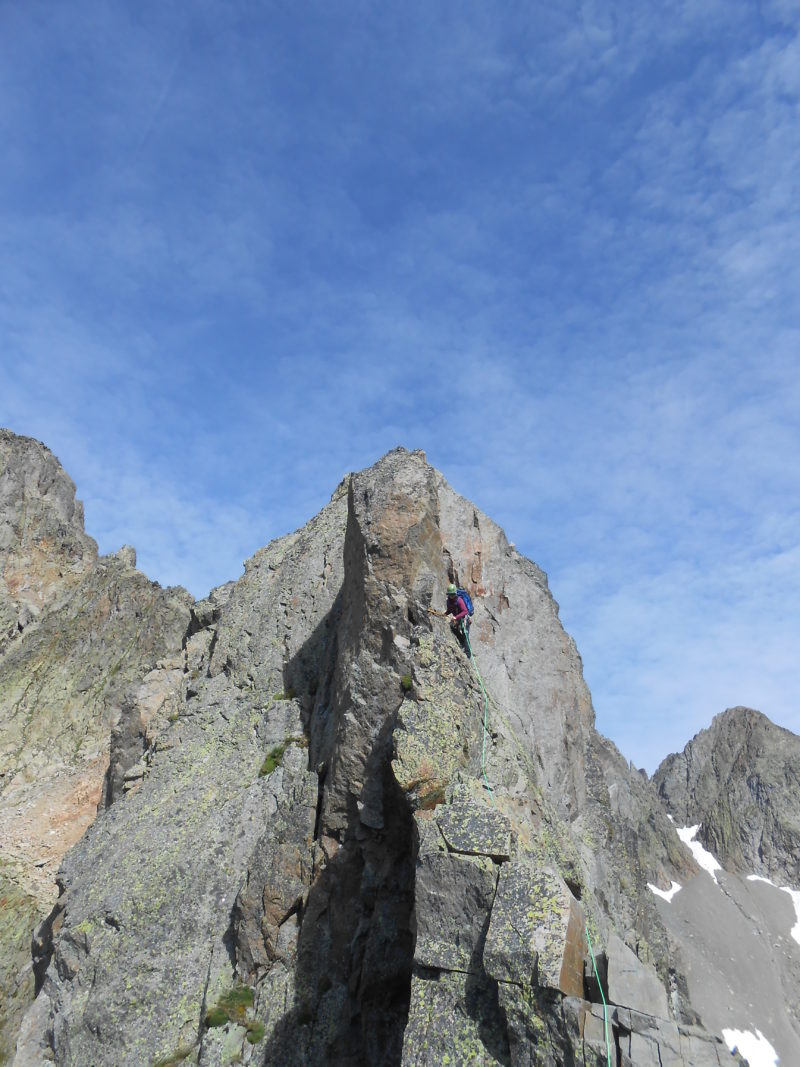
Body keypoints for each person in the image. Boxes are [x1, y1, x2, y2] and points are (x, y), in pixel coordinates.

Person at [444, 583, 470, 653]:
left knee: (465, 635)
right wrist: (445, 614)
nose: (451, 596)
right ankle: (461, 641)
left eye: (453, 594)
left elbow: (465, 611)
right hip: (457, 618)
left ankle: (468, 654)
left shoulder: (459, 600)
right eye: (450, 594)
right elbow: (450, 609)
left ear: (455, 593)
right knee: (452, 626)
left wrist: (456, 617)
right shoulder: (448, 601)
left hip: (464, 619)